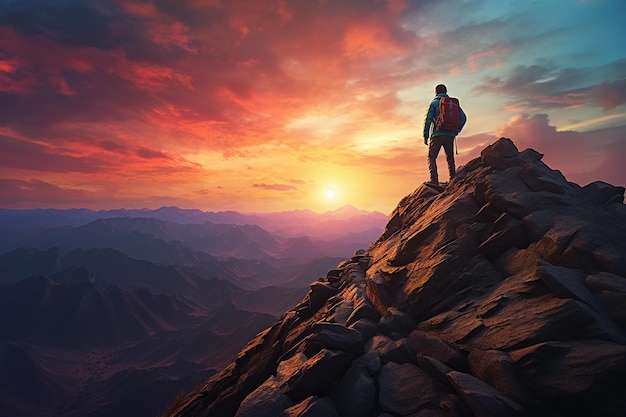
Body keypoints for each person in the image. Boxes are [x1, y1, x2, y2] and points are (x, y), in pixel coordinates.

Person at [423, 84, 466, 186]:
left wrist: (425, 135)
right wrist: (456, 131)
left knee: (432, 157)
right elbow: (463, 118)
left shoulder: (434, 103)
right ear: (446, 92)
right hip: (450, 135)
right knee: (450, 157)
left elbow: (428, 120)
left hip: (437, 134)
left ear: (436, 92)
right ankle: (452, 179)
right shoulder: (453, 104)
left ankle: (434, 180)